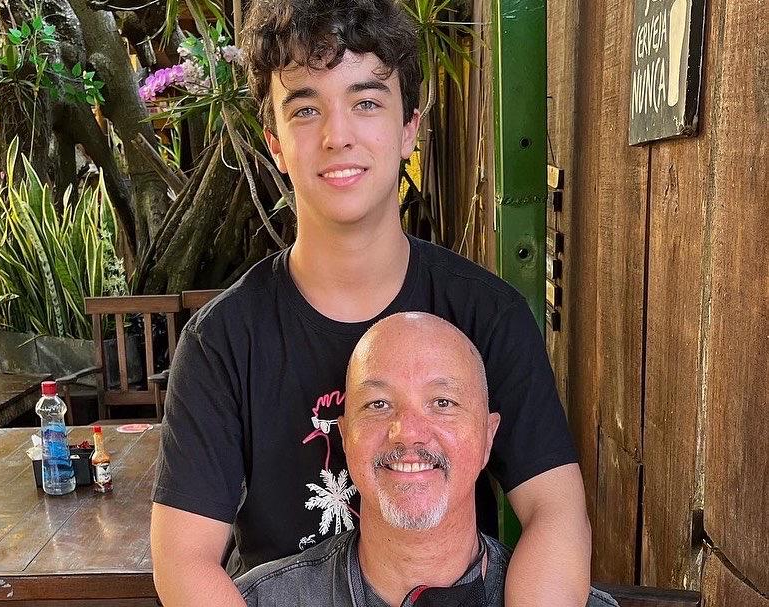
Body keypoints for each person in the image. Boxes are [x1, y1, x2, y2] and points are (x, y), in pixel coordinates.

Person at [151, 1, 591, 605]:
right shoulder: (222, 343)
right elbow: (183, 561)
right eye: (306, 109)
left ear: (410, 128)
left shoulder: (488, 317)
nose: (338, 136)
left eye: (366, 102)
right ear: (274, 142)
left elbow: (555, 513)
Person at [235, 313, 616, 607]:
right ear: (346, 436)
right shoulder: (259, 601)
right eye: (378, 404)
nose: (408, 431)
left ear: (488, 437)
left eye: (442, 403)